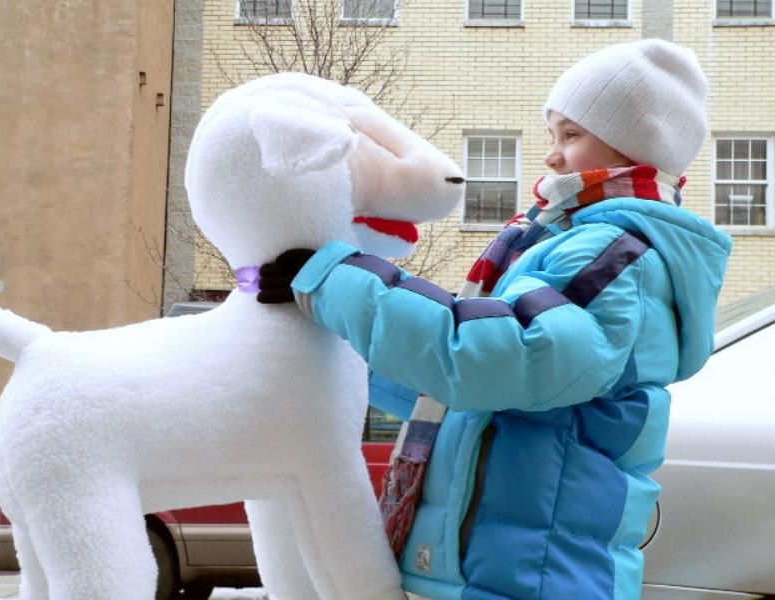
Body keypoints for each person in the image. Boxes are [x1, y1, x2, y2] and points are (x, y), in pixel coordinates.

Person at [258, 39, 732, 600]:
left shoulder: (614, 254)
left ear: (633, 148)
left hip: (537, 574)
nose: (553, 156)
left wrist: (339, 282)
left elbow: (501, 357)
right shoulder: (562, 243)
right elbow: (457, 392)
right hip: (497, 567)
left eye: (572, 136)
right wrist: (334, 350)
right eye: (553, 136)